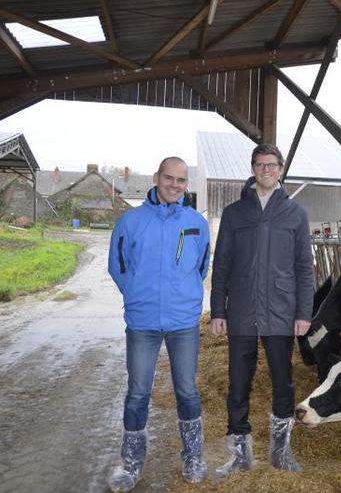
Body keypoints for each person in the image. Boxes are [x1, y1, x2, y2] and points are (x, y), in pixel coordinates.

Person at [210, 143, 314, 479]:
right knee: (238, 382)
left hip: (282, 311)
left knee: (283, 381)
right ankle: (240, 455)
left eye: (271, 165)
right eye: (259, 164)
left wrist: (304, 312)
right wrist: (217, 310)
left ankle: (280, 452)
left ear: (281, 169)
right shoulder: (234, 212)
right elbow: (221, 263)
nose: (265, 170)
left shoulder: (296, 214)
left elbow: (304, 267)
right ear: (252, 168)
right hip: (240, 308)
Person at [107, 157, 210, 492]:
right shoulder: (131, 221)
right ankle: (131, 464)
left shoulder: (197, 222)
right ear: (156, 178)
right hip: (143, 322)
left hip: (183, 323)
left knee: (187, 391)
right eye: (170, 178)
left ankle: (193, 457)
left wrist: (185, 297)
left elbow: (202, 266)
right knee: (137, 393)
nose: (175, 185)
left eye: (182, 180)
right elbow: (117, 267)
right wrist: (138, 295)